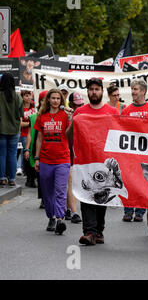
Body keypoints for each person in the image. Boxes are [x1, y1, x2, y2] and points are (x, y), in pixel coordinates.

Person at [67, 77, 119, 246]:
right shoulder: (79, 112)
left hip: (104, 162)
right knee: (86, 195)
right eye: (91, 89)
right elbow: (69, 136)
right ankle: (89, 232)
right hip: (84, 162)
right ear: (87, 92)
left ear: (102, 92)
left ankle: (99, 231)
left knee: (101, 198)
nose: (94, 92)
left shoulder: (112, 111)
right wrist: (73, 124)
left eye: (97, 89)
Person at [34, 89, 71, 235]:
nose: (55, 101)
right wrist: (36, 158)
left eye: (58, 98)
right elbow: (39, 139)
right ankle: (51, 217)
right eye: (53, 98)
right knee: (47, 192)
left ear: (61, 100)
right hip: (45, 160)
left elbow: (72, 133)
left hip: (62, 159)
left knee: (60, 190)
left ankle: (60, 219)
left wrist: (71, 117)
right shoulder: (42, 116)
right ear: (48, 100)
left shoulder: (65, 115)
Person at [121, 79, 148, 223]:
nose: (133, 92)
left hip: (146, 152)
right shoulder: (127, 110)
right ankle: (128, 210)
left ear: (143, 91)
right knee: (128, 181)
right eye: (132, 89)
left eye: (135, 89)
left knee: (143, 182)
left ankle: (140, 211)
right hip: (130, 152)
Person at [64, 92, 85, 224]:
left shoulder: (84, 114)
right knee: (71, 181)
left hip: (79, 152)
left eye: (81, 104)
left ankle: (68, 209)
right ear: (70, 104)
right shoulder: (65, 115)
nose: (79, 107)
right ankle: (74, 212)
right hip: (66, 151)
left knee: (72, 181)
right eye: (77, 105)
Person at [0, 73, 23, 187]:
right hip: (15, 129)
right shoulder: (18, 97)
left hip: (1, 129)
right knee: (12, 154)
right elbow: (21, 114)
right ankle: (12, 179)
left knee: (2, 154)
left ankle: (2, 178)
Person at [24, 90, 47, 207]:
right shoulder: (33, 117)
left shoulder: (55, 117)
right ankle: (43, 198)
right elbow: (29, 134)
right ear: (40, 102)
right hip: (36, 150)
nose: (45, 103)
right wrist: (27, 149)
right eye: (43, 100)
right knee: (40, 175)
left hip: (50, 150)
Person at [17, 90, 37, 177]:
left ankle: (26, 170)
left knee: (28, 151)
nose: (28, 97)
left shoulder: (33, 108)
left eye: (30, 95)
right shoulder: (20, 108)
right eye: (26, 96)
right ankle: (19, 168)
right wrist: (30, 123)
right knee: (23, 151)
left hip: (32, 133)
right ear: (22, 97)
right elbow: (20, 123)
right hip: (22, 134)